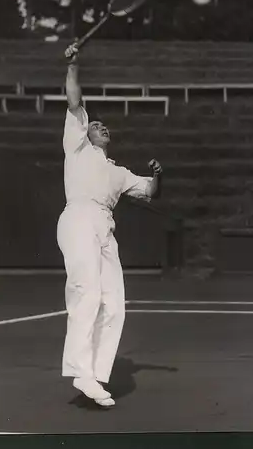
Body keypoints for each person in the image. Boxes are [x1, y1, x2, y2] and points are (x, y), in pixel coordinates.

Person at [57, 43, 163, 407]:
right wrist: (73, 64)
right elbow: (74, 100)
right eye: (94, 124)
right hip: (78, 217)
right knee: (86, 292)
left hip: (105, 226)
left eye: (103, 127)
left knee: (114, 304)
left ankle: (96, 374)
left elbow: (149, 192)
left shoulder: (118, 172)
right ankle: (81, 372)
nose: (99, 126)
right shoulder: (76, 146)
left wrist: (156, 176)